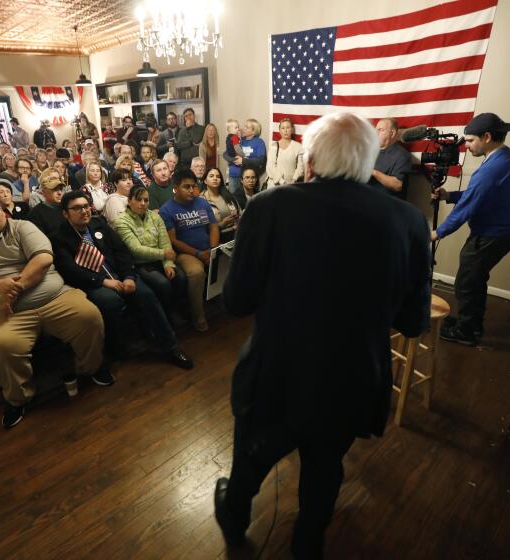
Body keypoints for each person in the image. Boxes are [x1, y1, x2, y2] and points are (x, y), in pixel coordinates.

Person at [212, 112, 431, 559]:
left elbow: (235, 302)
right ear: (369, 160)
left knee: (250, 460)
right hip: (353, 376)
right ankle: (308, 542)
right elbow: (413, 322)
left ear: (309, 160)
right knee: (326, 464)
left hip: (277, 372)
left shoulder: (269, 207)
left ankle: (235, 522)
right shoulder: (409, 221)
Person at [0, 190, 109, 428]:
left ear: (1, 209)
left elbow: (43, 258)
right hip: (1, 311)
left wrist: (17, 287)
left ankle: (90, 368)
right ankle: (18, 398)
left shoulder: (22, 227)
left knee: (89, 317)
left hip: (52, 297)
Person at [51, 190, 193, 368]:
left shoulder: (99, 224)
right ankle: (117, 348)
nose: (84, 211)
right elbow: (70, 270)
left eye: (86, 206)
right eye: (77, 208)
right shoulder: (59, 237)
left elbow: (122, 252)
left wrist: (129, 276)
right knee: (111, 301)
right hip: (93, 282)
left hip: (119, 275)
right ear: (65, 213)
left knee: (147, 294)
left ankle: (171, 346)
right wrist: (102, 281)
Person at [432, 113, 510, 345]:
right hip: (505, 230)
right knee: (475, 277)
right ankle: (470, 323)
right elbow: (480, 196)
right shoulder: (507, 157)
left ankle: (466, 332)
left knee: (467, 280)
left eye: (470, 141)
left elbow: (468, 207)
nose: (467, 146)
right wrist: (450, 195)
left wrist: (437, 232)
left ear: (487, 136)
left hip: (494, 234)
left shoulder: (492, 168)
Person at [158, 168, 219, 332]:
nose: (191, 190)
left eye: (193, 186)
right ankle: (198, 316)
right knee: (196, 273)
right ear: (176, 188)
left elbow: (213, 226)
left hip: (208, 247)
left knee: (229, 259)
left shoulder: (202, 202)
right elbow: (173, 240)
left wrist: (213, 249)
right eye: (186, 187)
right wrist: (199, 253)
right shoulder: (167, 209)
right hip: (185, 253)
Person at [115, 184, 188, 321]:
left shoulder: (155, 217)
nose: (143, 203)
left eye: (146, 200)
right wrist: (164, 254)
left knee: (180, 277)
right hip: (140, 263)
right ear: (129, 201)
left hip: (161, 259)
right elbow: (136, 250)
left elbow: (165, 241)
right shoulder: (122, 221)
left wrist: (168, 264)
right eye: (138, 199)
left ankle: (174, 309)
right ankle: (165, 317)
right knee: (163, 284)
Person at [368, 118, 412, 199]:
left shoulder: (402, 155)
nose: (376, 133)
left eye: (380, 130)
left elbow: (398, 185)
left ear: (392, 133)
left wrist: (373, 172)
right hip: (366, 201)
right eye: (376, 130)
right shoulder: (370, 152)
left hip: (388, 206)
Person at [226, 119, 266, 194]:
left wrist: (243, 161)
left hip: (249, 178)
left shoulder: (259, 142)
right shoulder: (239, 139)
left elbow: (261, 160)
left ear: (253, 131)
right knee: (235, 201)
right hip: (234, 175)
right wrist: (233, 159)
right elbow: (226, 154)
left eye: (247, 127)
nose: (243, 128)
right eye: (244, 126)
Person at [200, 167, 240, 243]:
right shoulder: (201, 201)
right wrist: (223, 223)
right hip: (216, 238)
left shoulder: (227, 195)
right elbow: (204, 228)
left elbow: (239, 213)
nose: (215, 178)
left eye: (218, 177)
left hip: (236, 234)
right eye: (211, 176)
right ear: (205, 181)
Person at [266, 118, 304, 188]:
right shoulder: (274, 146)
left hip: (291, 186)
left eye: (288, 127)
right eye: (283, 128)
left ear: (292, 130)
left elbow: (300, 167)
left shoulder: (298, 146)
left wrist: (294, 180)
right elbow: (270, 167)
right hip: (274, 186)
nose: (285, 130)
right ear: (279, 130)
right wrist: (282, 181)